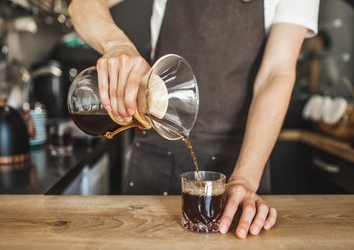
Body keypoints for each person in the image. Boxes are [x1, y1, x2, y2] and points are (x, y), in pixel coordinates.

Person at [69, 0, 320, 239]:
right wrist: (116, 45)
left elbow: (276, 74)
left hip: (240, 166)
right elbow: (81, 5)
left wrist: (244, 179)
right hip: (156, 153)